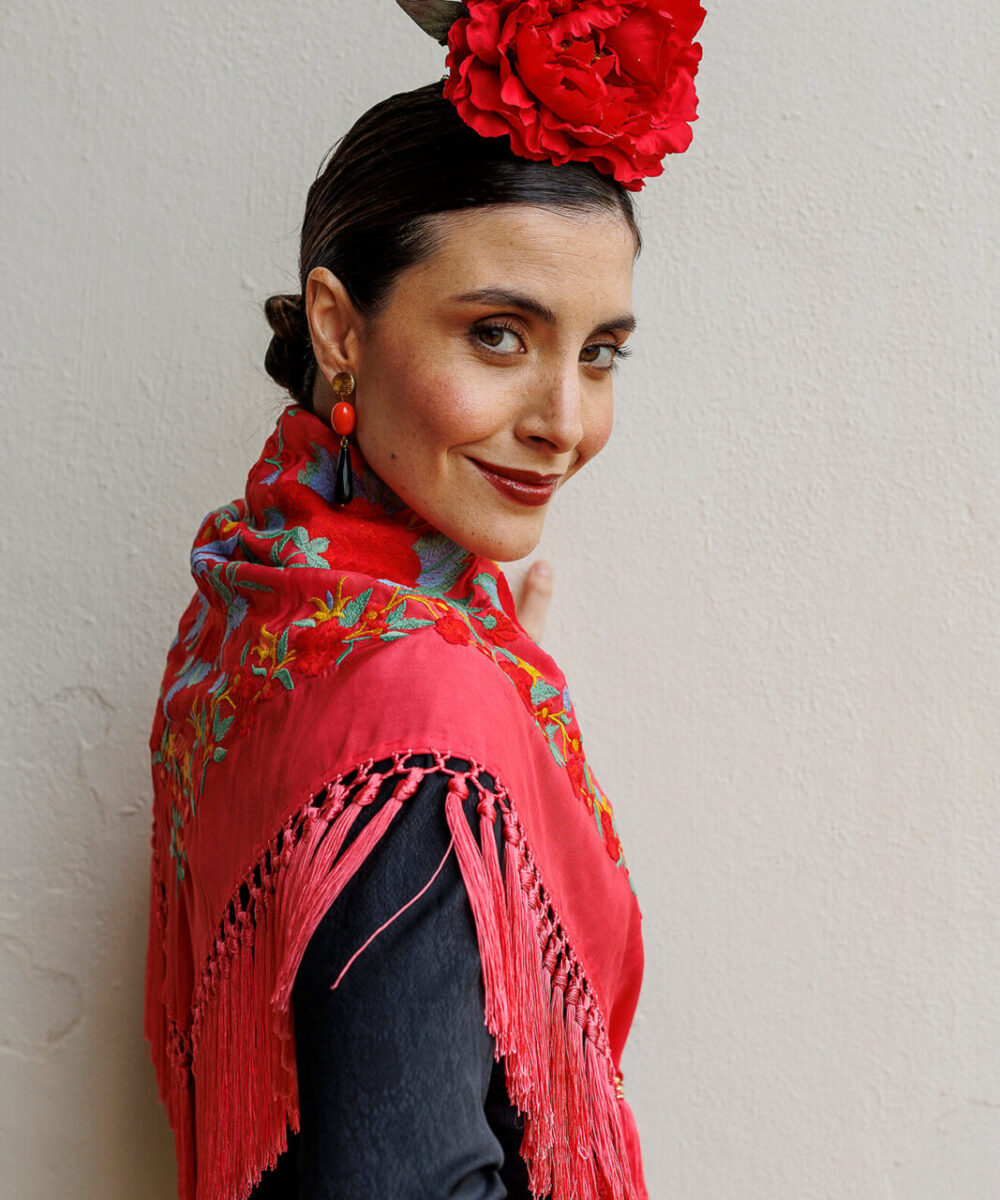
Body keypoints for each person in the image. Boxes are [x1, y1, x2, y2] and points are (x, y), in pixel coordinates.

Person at [144, 4, 705, 1199]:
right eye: (499, 335)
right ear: (342, 326)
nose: (566, 421)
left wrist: (475, 678)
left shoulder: (259, 594)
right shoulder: (419, 707)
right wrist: (458, 703)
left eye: (600, 351)